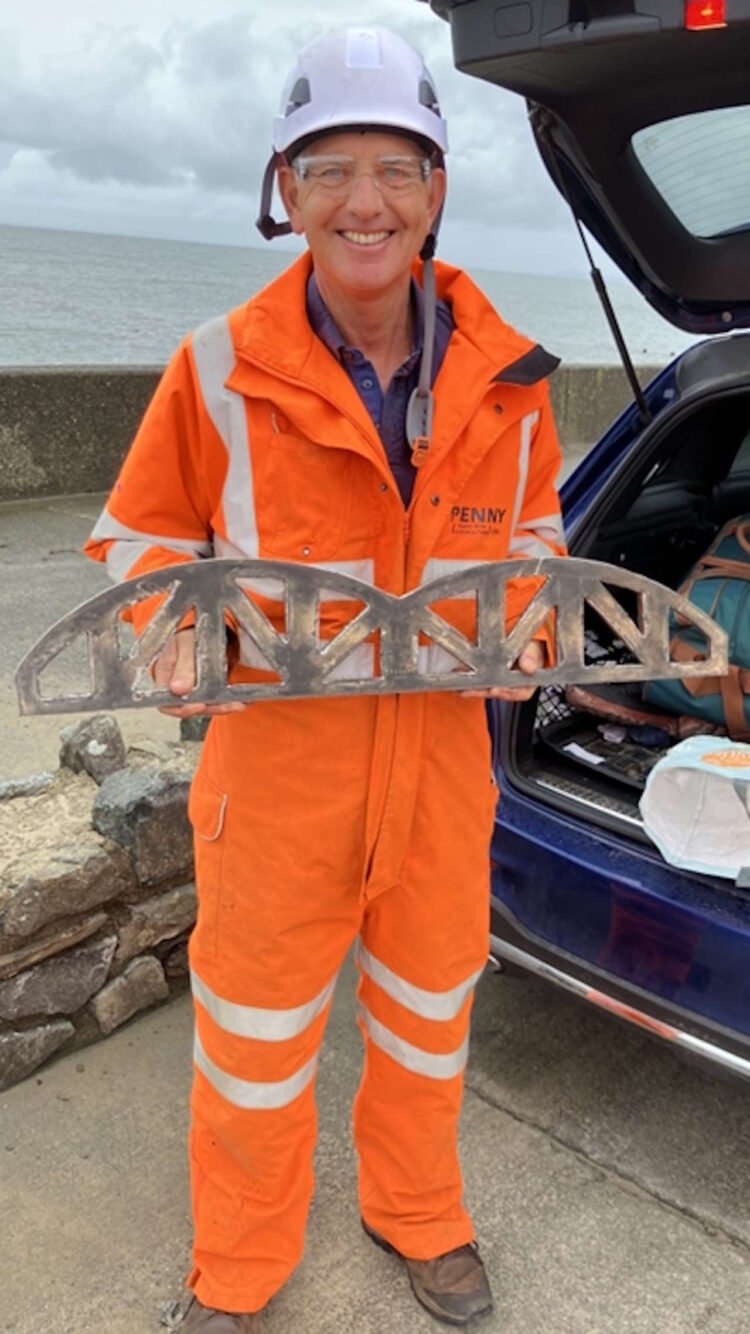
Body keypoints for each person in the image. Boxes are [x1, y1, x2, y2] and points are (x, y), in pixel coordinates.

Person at [85, 24, 565, 1331]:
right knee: (250, 1047)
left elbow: (536, 541)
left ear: (436, 190)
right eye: (331, 168)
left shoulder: (512, 380)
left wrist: (527, 624)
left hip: (439, 784)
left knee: (425, 1018)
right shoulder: (214, 368)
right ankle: (239, 1265)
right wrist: (171, 637)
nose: (366, 201)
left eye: (397, 168)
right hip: (276, 788)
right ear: (284, 190)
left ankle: (418, 1210)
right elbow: (137, 538)